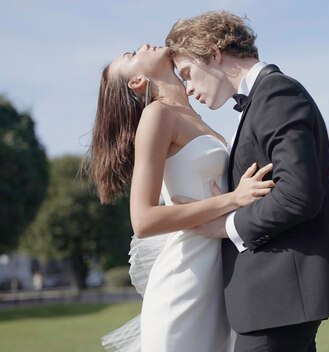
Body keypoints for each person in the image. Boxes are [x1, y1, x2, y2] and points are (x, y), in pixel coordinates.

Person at [166, 11, 329, 352]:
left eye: (187, 74)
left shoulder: (276, 93)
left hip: (281, 297)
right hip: (274, 301)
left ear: (213, 53)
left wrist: (224, 226)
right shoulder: (262, 99)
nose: (189, 88)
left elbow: (299, 195)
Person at [90, 43, 275, 352]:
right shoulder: (157, 115)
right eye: (132, 56)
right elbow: (144, 220)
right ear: (137, 82)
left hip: (218, 279)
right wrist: (233, 199)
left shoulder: (196, 116)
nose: (143, 46)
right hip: (184, 279)